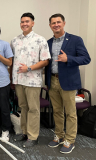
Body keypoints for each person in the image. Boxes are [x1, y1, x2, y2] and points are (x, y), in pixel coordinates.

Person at [45, 13, 91, 153]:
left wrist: (68, 58)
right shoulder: (48, 43)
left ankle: (70, 140)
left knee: (70, 113)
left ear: (64, 23)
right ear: (50, 26)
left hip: (68, 82)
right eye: (53, 23)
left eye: (58, 22)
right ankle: (59, 135)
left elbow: (86, 58)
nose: (56, 25)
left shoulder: (75, 40)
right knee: (57, 111)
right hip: (52, 80)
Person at [10, 13, 51, 147]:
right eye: (22, 22)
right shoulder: (15, 41)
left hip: (33, 80)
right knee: (23, 107)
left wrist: (29, 68)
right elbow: (12, 61)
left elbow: (45, 61)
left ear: (33, 23)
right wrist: (12, 79)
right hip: (19, 80)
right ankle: (25, 132)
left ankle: (33, 136)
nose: (24, 24)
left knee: (33, 108)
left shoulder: (40, 40)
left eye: (27, 21)